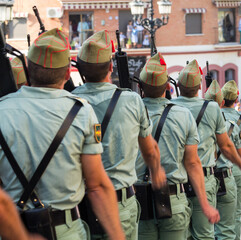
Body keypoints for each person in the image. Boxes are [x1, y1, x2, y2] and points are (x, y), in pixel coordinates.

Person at [0, 28, 124, 239]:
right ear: (67, 73)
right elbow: (97, 187)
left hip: (13, 230)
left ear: (28, 69)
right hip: (66, 229)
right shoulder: (81, 112)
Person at [72, 30, 166, 240]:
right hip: (119, 204)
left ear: (81, 71)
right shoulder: (132, 100)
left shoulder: (69, 101)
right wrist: (156, 170)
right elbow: (149, 150)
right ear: (111, 67)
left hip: (80, 209)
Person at [135, 53, 220, 239]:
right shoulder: (183, 115)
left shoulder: (129, 112)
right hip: (173, 199)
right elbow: (193, 163)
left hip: (139, 200)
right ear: (167, 87)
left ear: (140, 87)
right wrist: (205, 204)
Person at [172, 60, 241, 240]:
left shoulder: (170, 106)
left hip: (177, 179)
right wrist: (240, 163)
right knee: (205, 234)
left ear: (179, 86)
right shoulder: (212, 108)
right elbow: (225, 145)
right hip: (205, 178)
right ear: (199, 87)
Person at [219, 80, 241, 240]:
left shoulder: (215, 115)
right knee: (235, 212)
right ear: (236, 100)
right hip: (237, 169)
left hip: (216, 168)